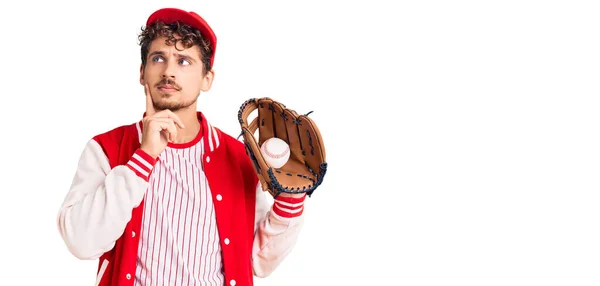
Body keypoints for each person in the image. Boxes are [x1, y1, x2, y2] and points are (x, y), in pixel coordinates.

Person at [56, 7, 307, 286]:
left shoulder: (239, 159)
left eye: (184, 61)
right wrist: (144, 157)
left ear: (206, 79)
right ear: (142, 73)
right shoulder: (106, 149)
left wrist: (290, 198)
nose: (168, 71)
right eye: (158, 58)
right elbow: (81, 242)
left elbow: (258, 261)